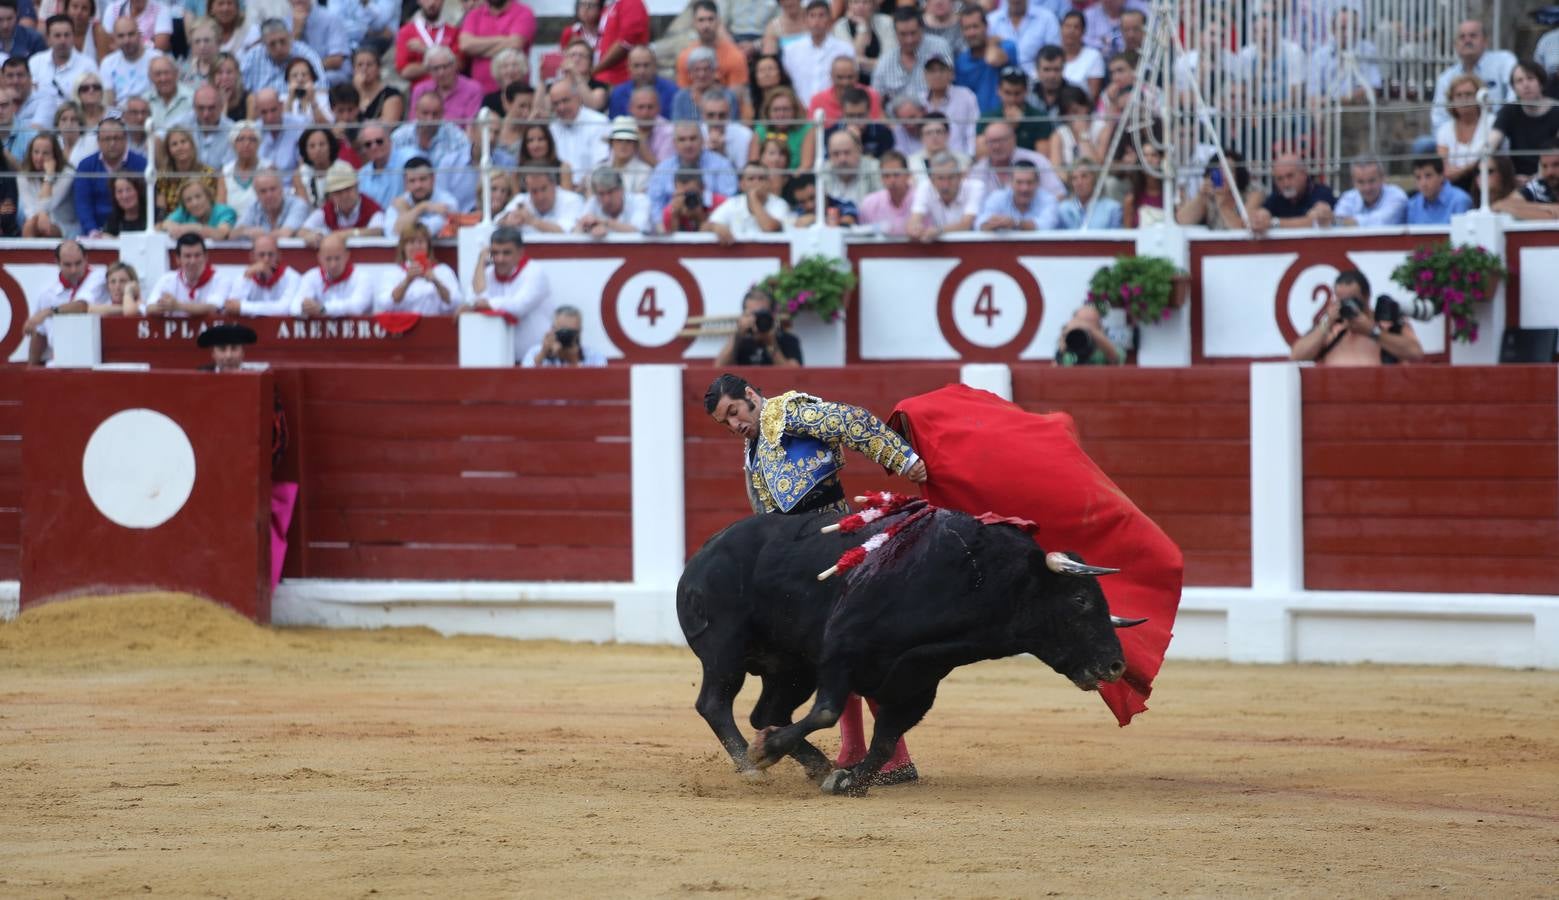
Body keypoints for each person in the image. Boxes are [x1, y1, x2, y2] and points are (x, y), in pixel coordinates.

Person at [702, 371, 926, 784]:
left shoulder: (789, 413)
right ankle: (853, 749)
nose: (734, 424)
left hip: (837, 546)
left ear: (750, 395)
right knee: (830, 653)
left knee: (858, 647)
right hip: (804, 565)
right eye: (725, 422)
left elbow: (851, 421)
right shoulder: (754, 450)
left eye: (734, 412)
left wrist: (904, 460)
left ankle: (895, 757)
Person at [1289, 269, 1424, 367]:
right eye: (1341, 300)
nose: (1347, 305)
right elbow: (1296, 356)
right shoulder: (1329, 327)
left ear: (1367, 296)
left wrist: (1373, 332)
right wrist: (1327, 323)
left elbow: (1415, 352)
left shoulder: (1387, 323)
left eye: (1352, 300)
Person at [467, 226, 552, 363]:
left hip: (537, 360)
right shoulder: (487, 273)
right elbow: (474, 299)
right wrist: (481, 262)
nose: (500, 259)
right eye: (495, 253)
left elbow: (518, 307)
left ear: (520, 253)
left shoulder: (535, 272)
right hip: (498, 359)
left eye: (506, 253)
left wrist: (487, 303)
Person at [24, 237, 105, 365]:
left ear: (86, 259)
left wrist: (46, 312)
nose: (74, 270)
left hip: (97, 359)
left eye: (78, 263)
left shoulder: (99, 277)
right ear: (57, 262)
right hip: (60, 361)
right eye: (67, 264)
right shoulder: (48, 295)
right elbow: (40, 335)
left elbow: (81, 306)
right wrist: (30, 369)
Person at [390, 90, 475, 208]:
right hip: (406, 200)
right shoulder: (399, 137)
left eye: (435, 114)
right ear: (416, 112)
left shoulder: (458, 138)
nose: (430, 119)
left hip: (446, 201)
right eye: (425, 113)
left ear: (442, 114)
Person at [1430, 20, 1516, 135]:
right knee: (1422, 144)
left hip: (1499, 132)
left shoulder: (1504, 61)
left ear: (1485, 41)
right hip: (1458, 137)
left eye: (1473, 35)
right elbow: (1439, 118)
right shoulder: (1446, 78)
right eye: (1462, 37)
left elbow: (1514, 97)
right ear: (1455, 45)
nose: (1467, 40)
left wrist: (1499, 128)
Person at [647, 121, 737, 223]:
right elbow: (655, 206)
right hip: (672, 225)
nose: (688, 144)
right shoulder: (662, 169)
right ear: (674, 143)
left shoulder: (722, 165)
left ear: (702, 140)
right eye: (682, 139)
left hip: (714, 224)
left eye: (693, 138)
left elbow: (729, 203)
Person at [1487, 61, 1559, 181]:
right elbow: (1492, 142)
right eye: (1519, 81)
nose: (1525, 85)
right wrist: (1510, 178)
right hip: (1516, 179)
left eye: (1530, 78)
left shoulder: (1557, 110)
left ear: (1541, 83)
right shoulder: (1509, 110)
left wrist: (1536, 179)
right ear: (1514, 88)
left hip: (1551, 177)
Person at [73, 115, 144, 236]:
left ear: (125, 139)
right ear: (98, 141)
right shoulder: (86, 166)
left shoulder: (141, 164)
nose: (112, 143)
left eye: (117, 138)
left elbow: (146, 201)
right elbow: (83, 204)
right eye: (107, 139)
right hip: (96, 233)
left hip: (134, 231)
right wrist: (93, 232)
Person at [782, 0, 853, 105]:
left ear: (829, 19)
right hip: (801, 109)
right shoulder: (791, 50)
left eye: (821, 15)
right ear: (805, 20)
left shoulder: (844, 49)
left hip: (833, 107)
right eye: (812, 16)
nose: (817, 21)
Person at [873, 7, 953, 101]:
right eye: (903, 34)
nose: (909, 40)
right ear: (895, 33)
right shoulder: (885, 62)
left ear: (922, 29)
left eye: (913, 33)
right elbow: (876, 98)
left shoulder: (939, 47)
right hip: (896, 109)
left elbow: (949, 84)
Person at [380, 223, 461, 315]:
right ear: (403, 247)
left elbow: (456, 303)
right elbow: (385, 303)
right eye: (411, 242)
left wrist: (436, 282)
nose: (417, 247)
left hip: (434, 321)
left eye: (421, 242)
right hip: (402, 323)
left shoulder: (442, 270)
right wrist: (407, 281)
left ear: (428, 246)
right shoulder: (393, 272)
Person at [458, 0, 536, 94]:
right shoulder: (474, 14)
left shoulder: (523, 12)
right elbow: (465, 45)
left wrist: (477, 50)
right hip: (480, 92)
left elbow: (516, 43)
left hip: (515, 92)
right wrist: (505, 40)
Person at [297, 160, 384, 244]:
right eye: (338, 192)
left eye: (348, 189)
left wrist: (340, 236)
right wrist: (311, 236)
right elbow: (302, 232)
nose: (344, 196)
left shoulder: (372, 208)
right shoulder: (327, 210)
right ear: (330, 196)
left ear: (357, 187)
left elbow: (378, 231)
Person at [1174, 151, 1262, 231]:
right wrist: (1201, 196)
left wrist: (1223, 206)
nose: (1223, 175)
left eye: (1229, 170)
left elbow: (1244, 229)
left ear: (1238, 175)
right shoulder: (1208, 196)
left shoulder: (1252, 193)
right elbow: (1182, 221)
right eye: (1218, 170)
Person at [704, 160, 789, 244]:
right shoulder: (733, 203)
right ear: (742, 185)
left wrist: (753, 197)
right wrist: (715, 227)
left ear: (768, 183)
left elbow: (770, 229)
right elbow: (704, 227)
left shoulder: (780, 204)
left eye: (761, 178)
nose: (756, 182)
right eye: (751, 179)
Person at [290, 232, 373, 317]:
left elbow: (357, 307)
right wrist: (305, 307)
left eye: (337, 258)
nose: (333, 265)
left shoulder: (362, 277)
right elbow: (294, 307)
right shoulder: (311, 276)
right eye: (328, 259)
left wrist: (323, 309)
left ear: (347, 256)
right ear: (319, 257)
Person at [715, 288, 801, 367]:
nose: (756, 319)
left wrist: (771, 343)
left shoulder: (787, 340)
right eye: (751, 314)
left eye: (762, 314)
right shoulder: (740, 341)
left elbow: (794, 374)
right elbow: (719, 368)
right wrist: (738, 334)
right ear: (744, 315)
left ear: (773, 316)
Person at [1437, 72, 1493, 193]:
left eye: (1469, 94)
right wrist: (1464, 170)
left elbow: (1488, 160)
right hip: (1453, 186)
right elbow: (1443, 168)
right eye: (1458, 95)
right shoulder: (1444, 130)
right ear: (1452, 100)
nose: (1464, 99)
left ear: (1479, 97)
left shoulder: (1491, 123)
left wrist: (1463, 171)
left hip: (1483, 184)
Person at [145, 233, 226, 317]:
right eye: (187, 256)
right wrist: (164, 306)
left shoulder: (220, 280)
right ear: (178, 259)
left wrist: (177, 306)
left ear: (206, 257)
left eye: (197, 255)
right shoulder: (167, 280)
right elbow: (149, 307)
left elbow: (212, 307)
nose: (193, 261)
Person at [239, 18, 325, 96]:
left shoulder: (306, 54)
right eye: (272, 44)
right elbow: (240, 88)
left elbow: (322, 86)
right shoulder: (252, 57)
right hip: (263, 105)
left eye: (282, 41)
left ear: (290, 37)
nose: (278, 48)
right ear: (264, 43)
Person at [907, 151, 982, 240]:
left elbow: (966, 224)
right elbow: (915, 218)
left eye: (950, 177)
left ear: (960, 177)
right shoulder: (925, 187)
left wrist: (939, 230)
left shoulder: (975, 187)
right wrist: (915, 229)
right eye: (940, 178)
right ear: (932, 180)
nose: (945, 184)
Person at [953, 5, 1012, 115]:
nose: (971, 33)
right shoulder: (961, 62)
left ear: (986, 26)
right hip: (974, 120)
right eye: (967, 28)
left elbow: (993, 59)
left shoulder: (1006, 47)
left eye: (975, 26)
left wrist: (991, 43)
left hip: (1004, 118)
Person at [1255, 152, 1336, 230]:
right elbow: (1261, 216)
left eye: (1290, 176)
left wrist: (1273, 223)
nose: (1286, 184)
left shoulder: (1321, 192)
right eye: (1280, 179)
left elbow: (1314, 221)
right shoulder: (1277, 196)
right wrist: (1260, 217)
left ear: (1304, 174)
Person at [223, 234, 300, 316]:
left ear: (279, 255)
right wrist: (246, 279)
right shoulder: (246, 276)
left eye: (271, 254)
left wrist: (243, 307)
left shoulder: (292, 277)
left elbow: (285, 308)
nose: (266, 259)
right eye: (261, 255)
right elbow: (231, 306)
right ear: (252, 256)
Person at [676, 0, 745, 90]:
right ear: (693, 23)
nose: (706, 25)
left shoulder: (735, 56)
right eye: (701, 20)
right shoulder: (685, 57)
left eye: (710, 19)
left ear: (718, 21)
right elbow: (683, 94)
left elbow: (736, 96)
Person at [29, 14, 94, 109]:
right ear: (48, 38)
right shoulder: (35, 62)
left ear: (73, 36)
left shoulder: (88, 65)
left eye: (67, 35)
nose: (63, 41)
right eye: (57, 36)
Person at [18, 131, 75, 237]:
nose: (39, 158)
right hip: (35, 223)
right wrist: (40, 215)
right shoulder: (23, 176)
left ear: (55, 155)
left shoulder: (67, 174)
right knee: (30, 224)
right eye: (36, 152)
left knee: (39, 226)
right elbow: (29, 210)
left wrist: (49, 177)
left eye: (45, 153)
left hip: (63, 225)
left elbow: (50, 206)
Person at [385, 155, 457, 238]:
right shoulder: (398, 202)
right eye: (412, 181)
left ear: (433, 179)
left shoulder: (448, 201)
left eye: (423, 179)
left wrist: (405, 211)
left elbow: (425, 232)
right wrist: (423, 207)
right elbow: (392, 233)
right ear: (405, 183)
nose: (418, 185)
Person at [976, 159, 1058, 230]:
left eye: (1029, 182)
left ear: (1037, 183)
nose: (1024, 188)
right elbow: (979, 223)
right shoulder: (997, 197)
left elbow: (1048, 225)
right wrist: (991, 224)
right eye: (1019, 182)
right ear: (1010, 182)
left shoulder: (1048, 199)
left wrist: (1015, 223)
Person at [500, 169, 586, 235]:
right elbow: (496, 223)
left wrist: (532, 221)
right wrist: (507, 221)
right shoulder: (521, 199)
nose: (540, 197)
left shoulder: (573, 200)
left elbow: (566, 232)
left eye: (543, 189)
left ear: (554, 185)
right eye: (534, 191)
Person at [410, 46, 482, 124]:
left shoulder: (473, 89)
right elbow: (413, 123)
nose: (441, 73)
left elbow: (471, 125)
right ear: (429, 71)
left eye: (445, 67)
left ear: (455, 65)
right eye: (436, 68)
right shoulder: (420, 90)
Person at [395, 0, 457, 88]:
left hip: (451, 90)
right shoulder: (405, 32)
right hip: (422, 93)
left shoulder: (453, 31)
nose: (432, 3)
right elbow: (405, 72)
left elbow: (459, 64)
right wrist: (444, 65)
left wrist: (427, 50)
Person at [521, 305, 607, 367]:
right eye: (562, 331)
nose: (566, 336)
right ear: (553, 329)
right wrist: (543, 354)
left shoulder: (594, 356)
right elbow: (524, 379)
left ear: (579, 332)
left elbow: (599, 383)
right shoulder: (535, 352)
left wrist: (573, 360)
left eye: (571, 332)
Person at [1493, 140, 1559, 220]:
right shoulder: (1539, 186)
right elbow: (1500, 205)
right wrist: (1547, 208)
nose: (1549, 172)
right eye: (1544, 166)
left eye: (1556, 164)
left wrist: (1523, 208)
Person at [98, 14, 155, 108]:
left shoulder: (156, 59)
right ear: (114, 39)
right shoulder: (108, 63)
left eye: (131, 34)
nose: (126, 40)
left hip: (152, 112)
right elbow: (107, 104)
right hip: (121, 114)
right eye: (121, 36)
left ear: (139, 35)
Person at [576, 166, 651, 235]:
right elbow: (576, 231)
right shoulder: (593, 202)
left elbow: (638, 230)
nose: (607, 199)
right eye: (601, 194)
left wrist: (603, 223)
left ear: (621, 189)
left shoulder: (640, 201)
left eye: (610, 192)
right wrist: (589, 228)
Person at [1333, 157, 1408, 227]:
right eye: (1361, 182)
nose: (1367, 188)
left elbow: (1382, 222)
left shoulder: (1396, 196)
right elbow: (1337, 221)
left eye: (1371, 181)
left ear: (1382, 178)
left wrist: (1348, 222)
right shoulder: (1348, 197)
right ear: (1353, 182)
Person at [236, 167, 308, 238]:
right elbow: (235, 233)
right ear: (257, 195)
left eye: (273, 189)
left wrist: (261, 234)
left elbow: (286, 234)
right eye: (263, 191)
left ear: (282, 189)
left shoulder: (298, 205)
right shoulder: (254, 206)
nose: (269, 195)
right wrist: (245, 232)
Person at [591, 0, 648, 86]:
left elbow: (625, 43)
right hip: (603, 78)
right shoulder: (610, 5)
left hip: (620, 80)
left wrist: (595, 70)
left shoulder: (631, 2)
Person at [1056, 156, 1122, 229]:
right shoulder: (1063, 209)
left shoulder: (1112, 209)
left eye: (1084, 176)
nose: (1079, 182)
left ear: (1095, 179)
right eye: (1074, 178)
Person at [858, 149, 914, 236]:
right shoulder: (869, 203)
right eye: (886, 176)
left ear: (908, 175)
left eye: (896, 174)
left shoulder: (922, 199)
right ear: (881, 178)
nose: (892, 180)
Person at [610, 45, 676, 118]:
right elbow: (614, 122)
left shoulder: (672, 92)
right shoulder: (618, 94)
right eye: (636, 66)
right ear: (629, 67)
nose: (642, 71)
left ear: (654, 65)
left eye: (646, 65)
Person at [820, 128, 880, 206]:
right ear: (829, 155)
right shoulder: (822, 172)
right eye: (836, 154)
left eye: (847, 152)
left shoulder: (875, 169)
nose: (842, 159)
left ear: (859, 150)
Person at [1406, 156, 1473, 225]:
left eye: (1428, 176)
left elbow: (1460, 231)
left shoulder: (1460, 201)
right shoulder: (1412, 205)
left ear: (1441, 176)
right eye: (1418, 177)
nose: (1423, 183)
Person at [160, 179, 236, 239]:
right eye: (188, 200)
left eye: (198, 196)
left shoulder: (225, 211)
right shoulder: (184, 211)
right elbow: (164, 224)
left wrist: (193, 228)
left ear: (208, 196)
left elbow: (221, 234)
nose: (194, 203)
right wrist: (171, 227)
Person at [598, 115, 652, 195]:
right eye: (619, 140)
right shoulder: (599, 168)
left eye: (628, 141)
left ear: (635, 145)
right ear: (611, 143)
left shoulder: (645, 172)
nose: (623, 145)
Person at [1054, 303, 1121, 366]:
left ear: (1099, 327)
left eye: (1090, 323)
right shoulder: (1068, 350)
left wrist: (1094, 333)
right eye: (1080, 322)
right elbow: (1055, 369)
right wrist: (1064, 337)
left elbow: (1116, 360)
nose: (1084, 328)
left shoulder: (1105, 350)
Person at [1057, 10, 1103, 99]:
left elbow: (1093, 95)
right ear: (1061, 29)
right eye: (1067, 26)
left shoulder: (1094, 56)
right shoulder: (1052, 53)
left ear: (1083, 31)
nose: (1071, 31)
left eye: (1076, 27)